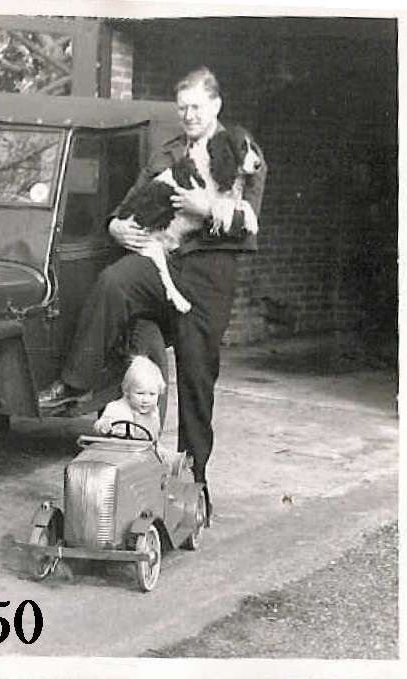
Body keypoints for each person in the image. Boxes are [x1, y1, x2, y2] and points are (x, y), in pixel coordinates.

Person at [39, 66, 267, 520]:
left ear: (216, 105)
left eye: (196, 108)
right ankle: (76, 381)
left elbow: (249, 229)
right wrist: (117, 227)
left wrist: (208, 208)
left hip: (208, 273)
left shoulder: (242, 150)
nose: (188, 116)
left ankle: (194, 486)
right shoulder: (168, 152)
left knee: (197, 377)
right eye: (182, 109)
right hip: (162, 259)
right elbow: (128, 204)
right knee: (114, 282)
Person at [94, 355, 165, 440]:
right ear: (127, 391)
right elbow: (99, 427)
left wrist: (157, 446)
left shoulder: (153, 412)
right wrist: (103, 425)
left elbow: (154, 437)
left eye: (152, 394)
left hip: (141, 451)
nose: (146, 400)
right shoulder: (115, 408)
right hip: (117, 449)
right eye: (140, 393)